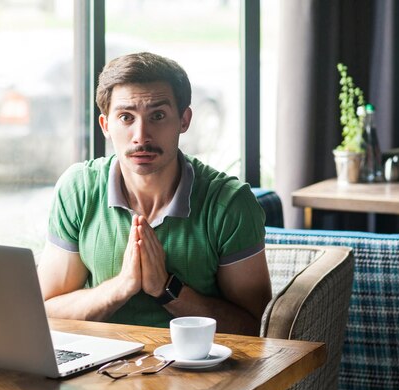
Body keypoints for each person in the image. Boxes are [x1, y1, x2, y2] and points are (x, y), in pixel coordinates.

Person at [38, 52, 271, 335]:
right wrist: (119, 288)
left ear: (184, 120)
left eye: (158, 116)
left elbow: (255, 328)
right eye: (126, 117)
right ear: (105, 126)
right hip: (98, 371)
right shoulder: (78, 189)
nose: (141, 135)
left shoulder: (230, 203)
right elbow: (46, 310)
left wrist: (166, 288)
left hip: (198, 371)